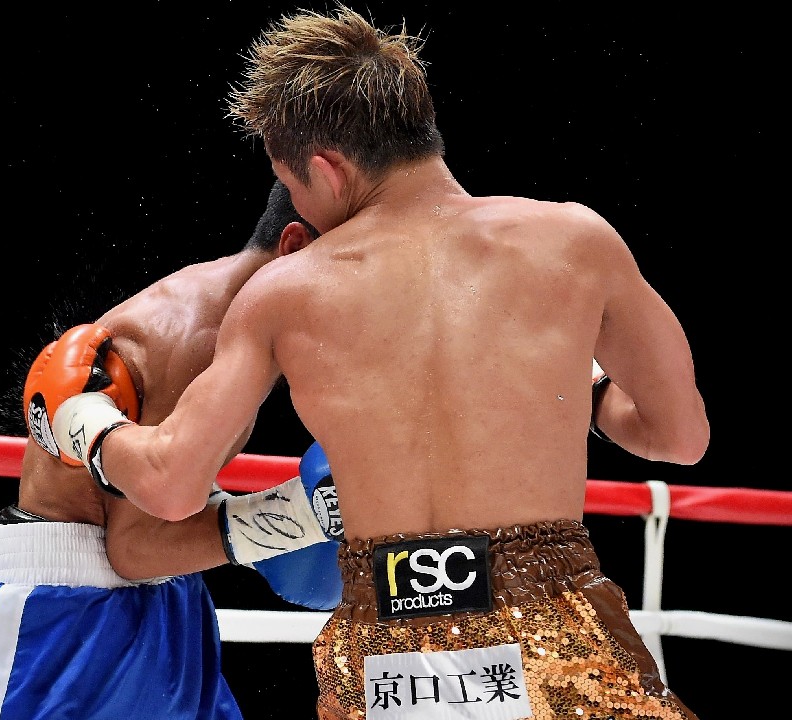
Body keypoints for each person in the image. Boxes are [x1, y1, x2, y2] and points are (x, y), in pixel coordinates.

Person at [38, 5, 710, 719]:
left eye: (292, 184)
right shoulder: (577, 240)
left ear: (327, 171)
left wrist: (83, 419)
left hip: (388, 653)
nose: (297, 208)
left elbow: (171, 486)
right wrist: (587, 383)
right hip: (552, 620)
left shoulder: (285, 292)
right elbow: (678, 436)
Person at [0, 180, 342, 720]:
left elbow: (167, 507)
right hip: (59, 621)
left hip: (169, 603)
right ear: (294, 248)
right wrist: (299, 517)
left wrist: (287, 523)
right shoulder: (192, 334)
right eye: (354, 271)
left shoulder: (250, 335)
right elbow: (134, 548)